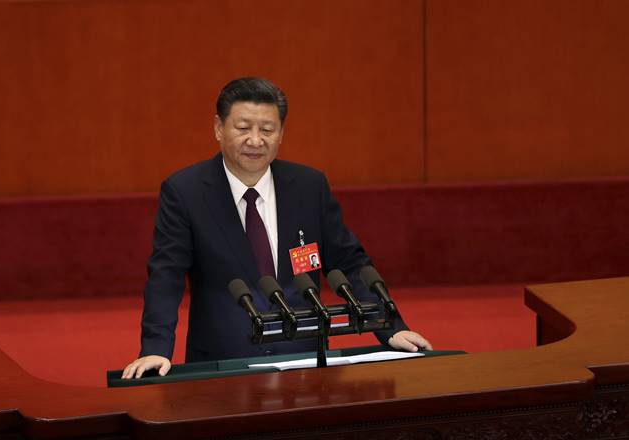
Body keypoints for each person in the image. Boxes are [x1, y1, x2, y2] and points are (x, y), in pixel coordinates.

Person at [122, 77, 432, 379]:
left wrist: (392, 327)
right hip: (223, 365)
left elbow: (350, 263)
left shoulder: (309, 187)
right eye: (243, 128)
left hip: (306, 361)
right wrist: (155, 348)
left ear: (281, 133)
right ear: (218, 128)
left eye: (267, 130)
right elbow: (166, 275)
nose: (255, 140)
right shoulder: (186, 192)